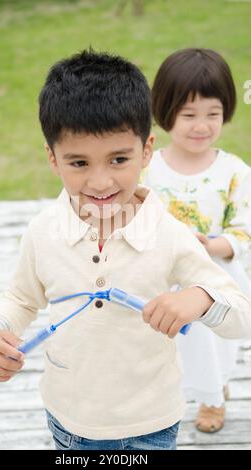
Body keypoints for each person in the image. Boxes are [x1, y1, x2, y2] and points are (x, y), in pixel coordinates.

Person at [0, 49, 251, 450]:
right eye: (79, 163)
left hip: (152, 424)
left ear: (146, 151)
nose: (101, 181)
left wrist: (200, 298)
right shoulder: (43, 232)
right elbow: (20, 297)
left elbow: (240, 314)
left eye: (119, 159)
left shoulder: (168, 234)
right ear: (52, 159)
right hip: (68, 420)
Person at [144, 48, 251, 433]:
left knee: (211, 344)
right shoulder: (148, 167)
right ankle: (166, 395)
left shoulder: (234, 172)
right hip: (162, 274)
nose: (201, 125)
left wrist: (213, 246)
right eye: (189, 115)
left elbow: (244, 229)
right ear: (165, 111)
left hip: (214, 276)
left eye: (213, 114)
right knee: (164, 342)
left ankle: (212, 394)